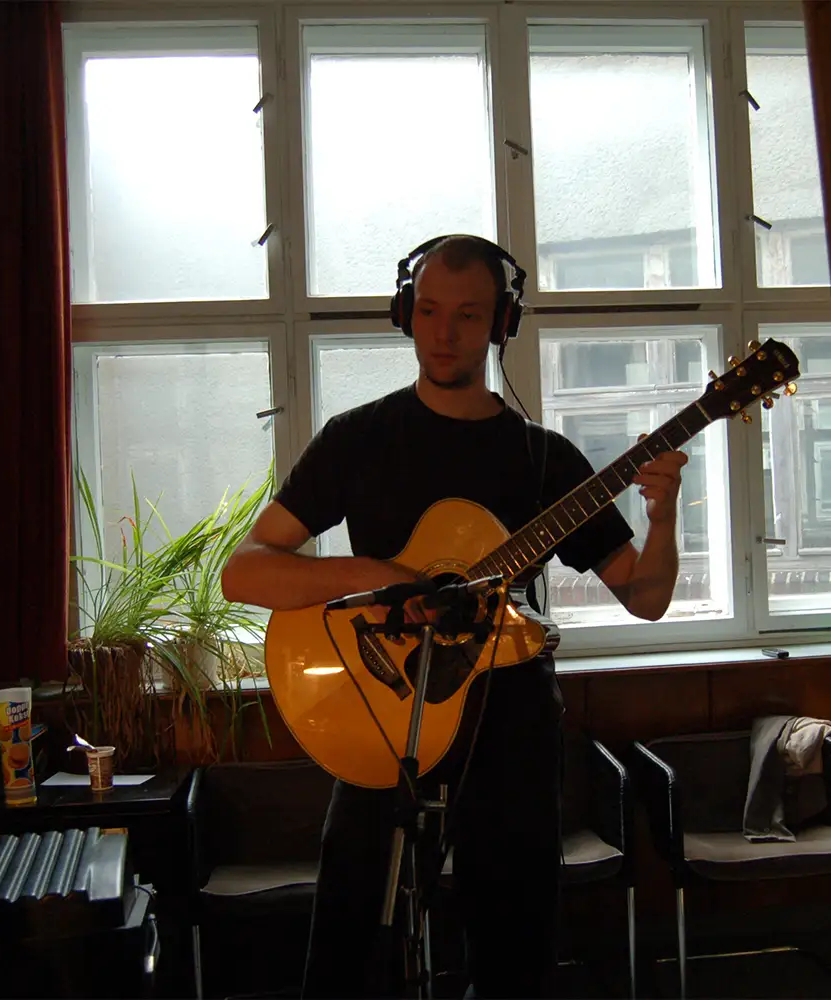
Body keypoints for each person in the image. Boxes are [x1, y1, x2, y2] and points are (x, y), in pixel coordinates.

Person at [221, 234, 688, 999]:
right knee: (350, 939)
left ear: (501, 323)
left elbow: (646, 596)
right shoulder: (358, 439)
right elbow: (244, 572)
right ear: (406, 312)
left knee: (514, 950)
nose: (444, 333)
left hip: (511, 721)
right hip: (382, 708)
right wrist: (381, 576)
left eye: (469, 315)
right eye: (430, 310)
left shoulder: (546, 460)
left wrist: (664, 517)